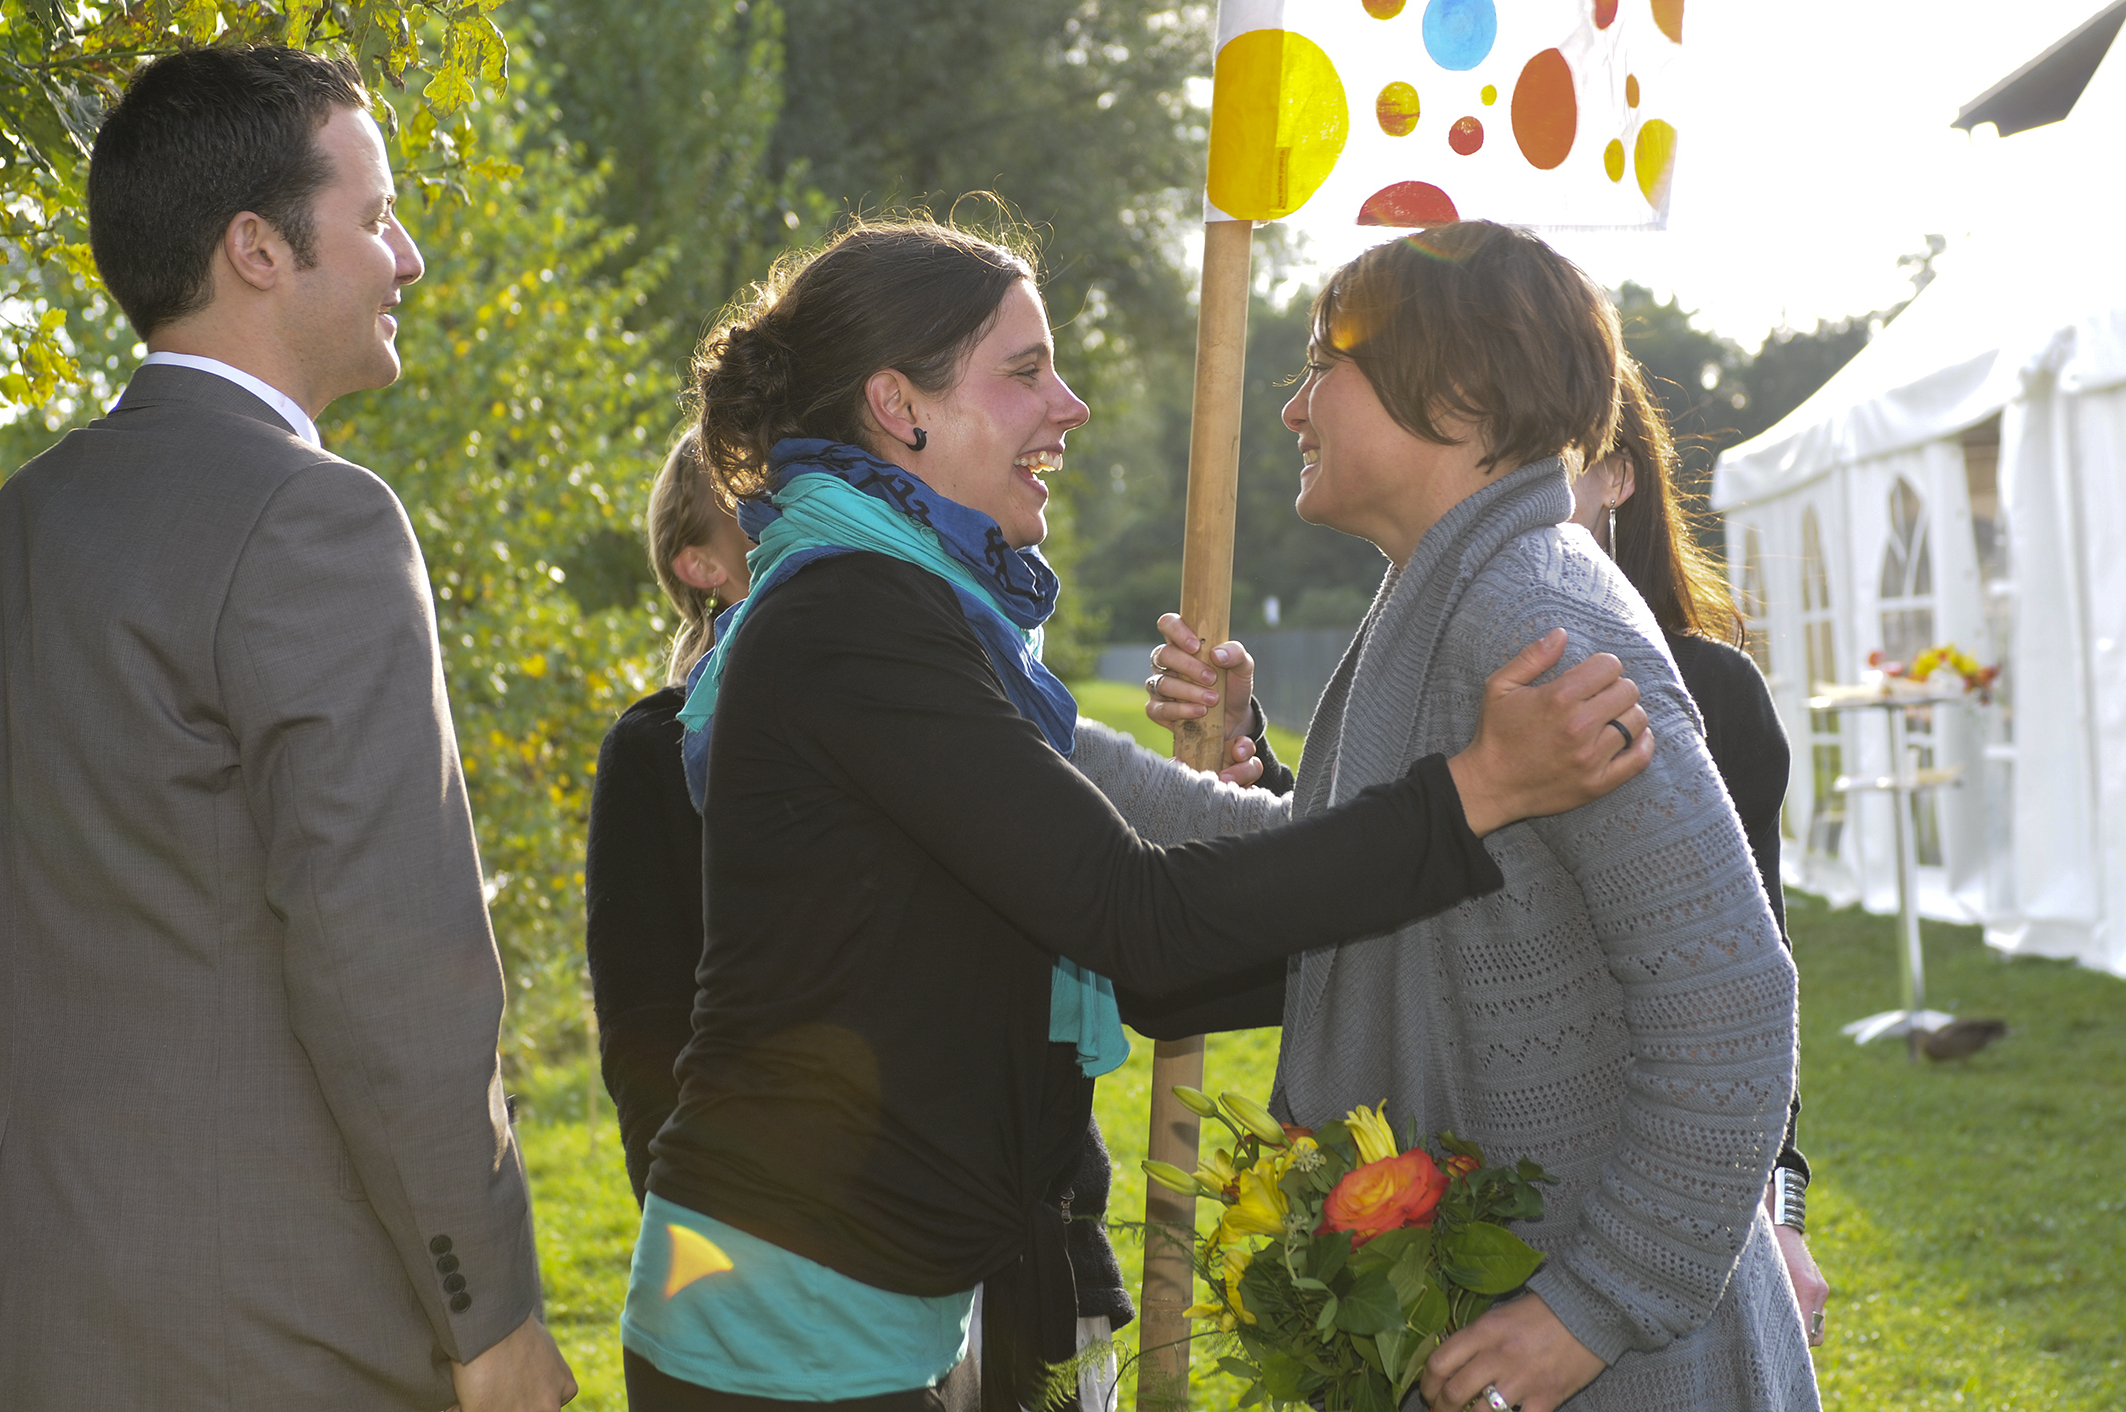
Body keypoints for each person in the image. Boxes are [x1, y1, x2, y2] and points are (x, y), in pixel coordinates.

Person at [617, 218, 1654, 1412]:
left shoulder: (913, 612)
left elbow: (1150, 953)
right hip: (777, 1323)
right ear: (897, 405)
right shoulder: (851, 620)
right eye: (1024, 370)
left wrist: (1446, 924)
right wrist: (1477, 792)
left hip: (839, 1299)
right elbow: (1138, 915)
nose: (1069, 405)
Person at [1122, 222, 1814, 1412]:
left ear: (1457, 393)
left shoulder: (1537, 621)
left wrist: (1590, 1307)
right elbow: (1337, 866)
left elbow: (1730, 1004)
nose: (1291, 408)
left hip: (1608, 1369)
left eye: (1322, 365)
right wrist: (1029, 737)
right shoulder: (1447, 599)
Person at [0, 46, 574, 1411]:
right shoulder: (319, 521)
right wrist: (489, 1315)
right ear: (256, 248)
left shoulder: (26, 522)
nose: (408, 256)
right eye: (376, 216)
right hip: (279, 1337)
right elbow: (394, 968)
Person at [1567, 357, 1830, 1348]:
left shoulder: (1710, 691)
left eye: (1551, 456)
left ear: (1617, 476)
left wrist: (1780, 1211)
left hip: (1667, 1183)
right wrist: (1252, 766)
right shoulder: (1449, 676)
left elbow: (1752, 976)